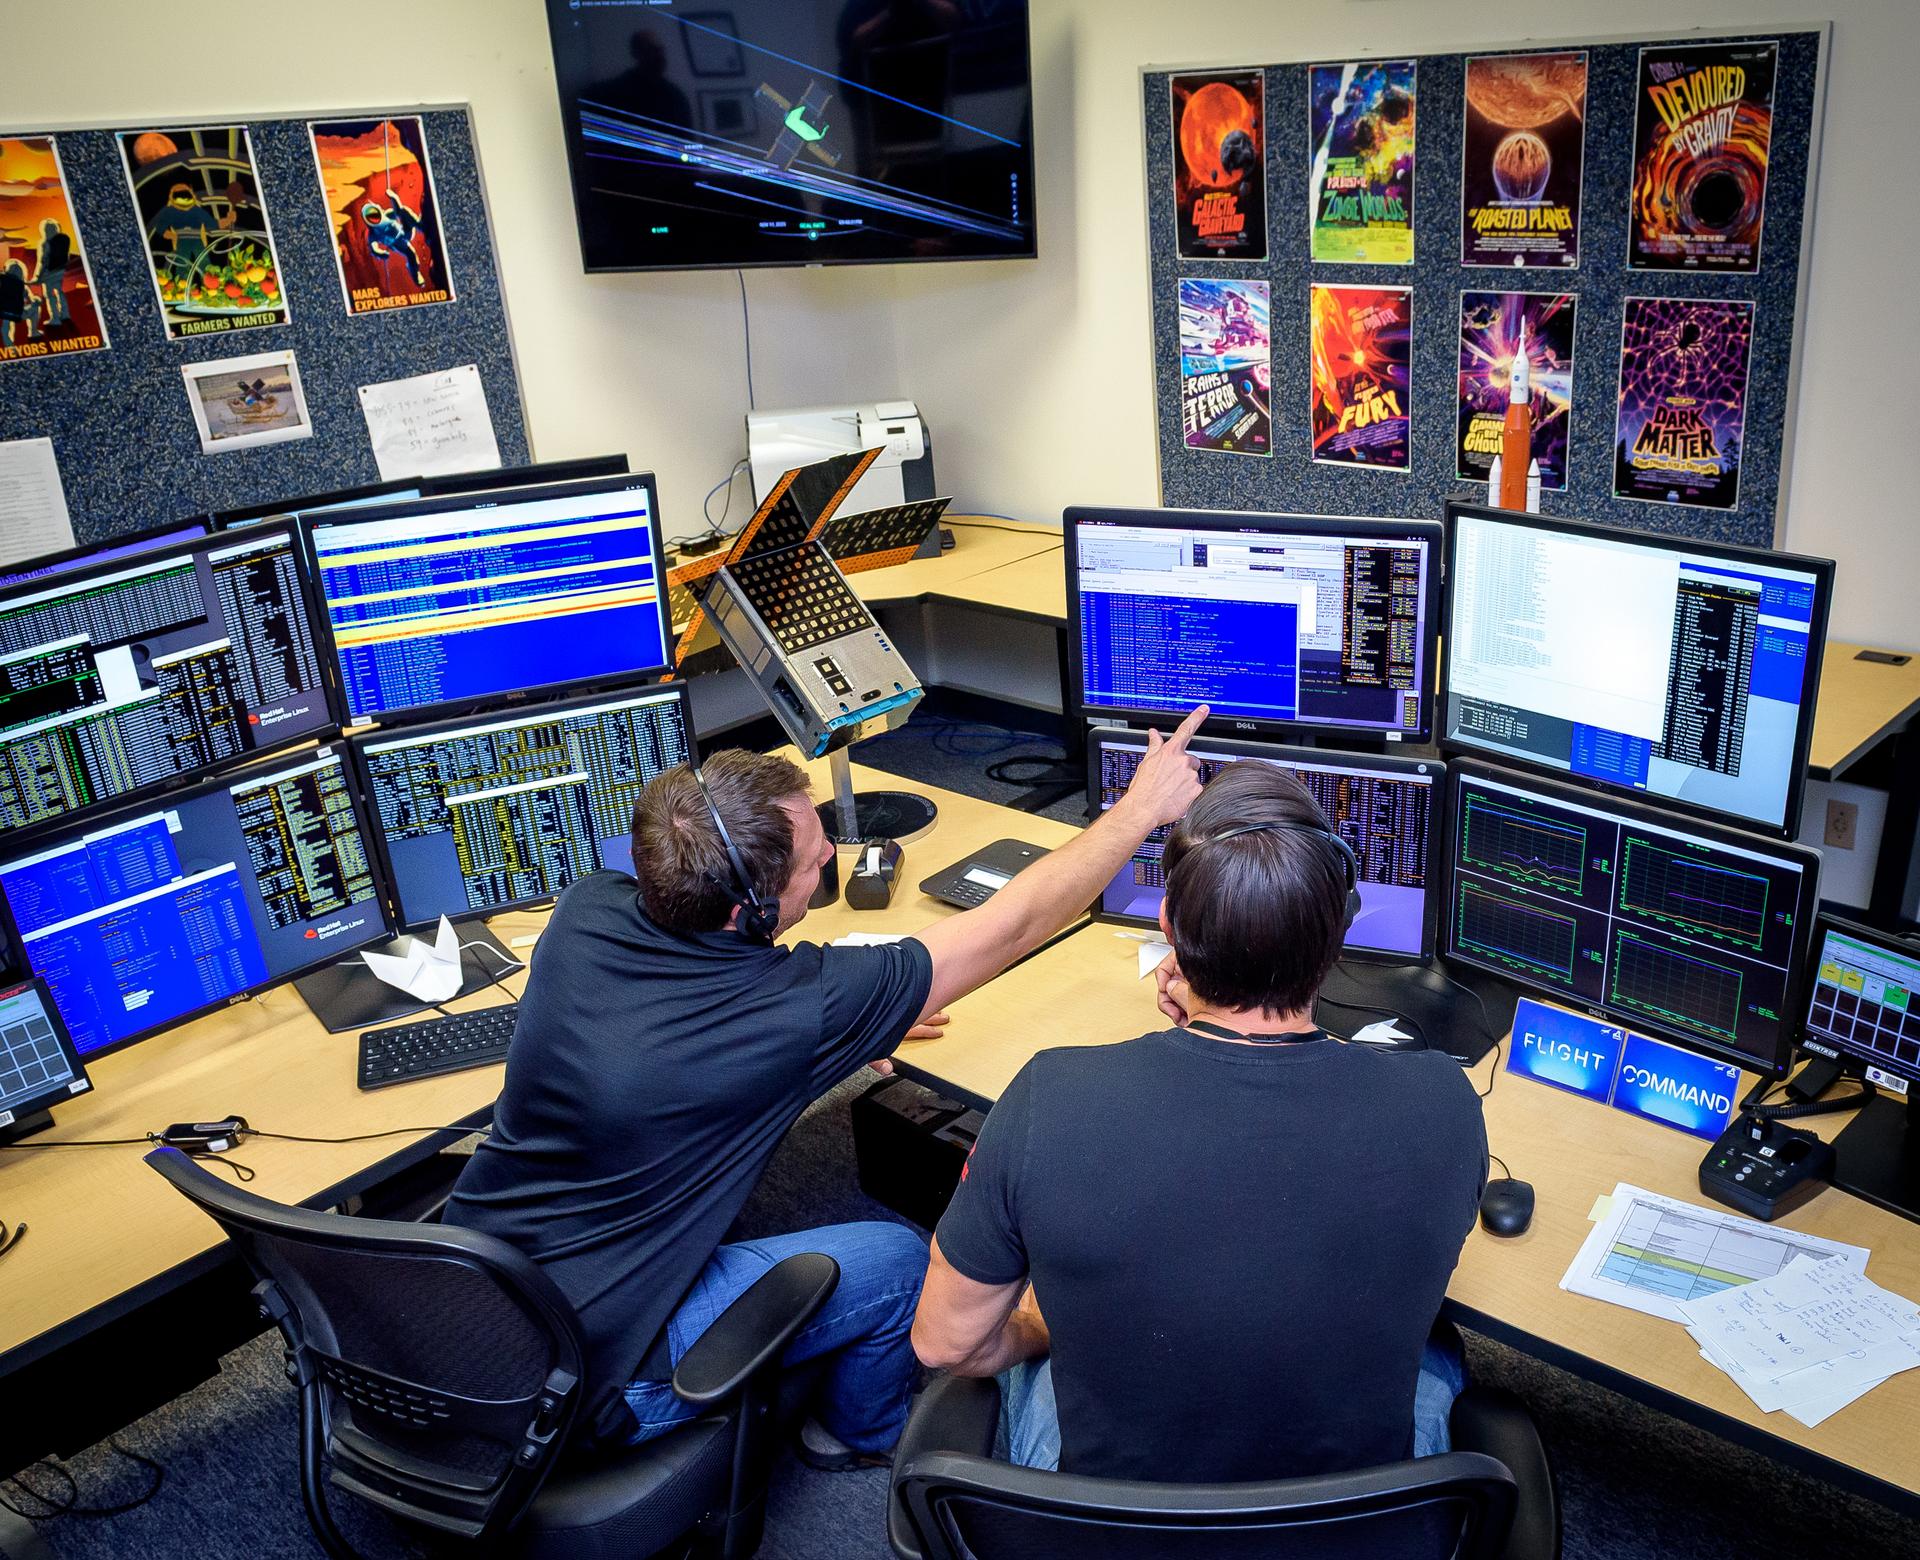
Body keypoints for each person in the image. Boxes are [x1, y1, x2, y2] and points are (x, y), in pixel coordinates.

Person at [443, 709, 1208, 1459]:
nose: (831, 866)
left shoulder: (586, 911)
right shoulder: (798, 1007)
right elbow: (1013, 923)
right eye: (816, 863)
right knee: (900, 1257)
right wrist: (1142, 806)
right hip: (587, 1381)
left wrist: (856, 1021)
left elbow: (691, 1038)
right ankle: (859, 1434)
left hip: (455, 1294)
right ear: (752, 911)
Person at [913, 761, 1488, 1481]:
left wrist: (1041, 1329)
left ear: (1168, 929)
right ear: (1338, 934)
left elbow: (946, 1346)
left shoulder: (1051, 1094)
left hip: (1113, 1526)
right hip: (1347, 1526)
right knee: (1437, 1350)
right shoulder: (1442, 1103)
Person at [35, 220, 71, 330]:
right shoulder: (64, 239)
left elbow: (43, 261)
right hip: (60, 271)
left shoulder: (45, 243)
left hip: (49, 272)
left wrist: (38, 276)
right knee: (59, 291)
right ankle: (65, 314)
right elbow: (67, 256)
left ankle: (55, 318)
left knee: (49, 295)